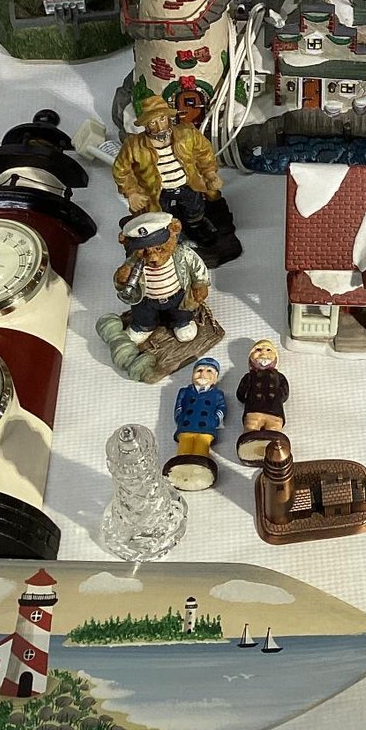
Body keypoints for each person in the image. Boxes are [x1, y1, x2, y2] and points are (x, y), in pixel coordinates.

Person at [112, 96, 228, 254]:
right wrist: (132, 193)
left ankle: (196, 227)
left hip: (188, 184)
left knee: (194, 208)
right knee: (160, 216)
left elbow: (204, 153)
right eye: (152, 122)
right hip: (156, 191)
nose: (159, 127)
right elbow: (121, 170)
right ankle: (171, 236)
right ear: (146, 125)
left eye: (162, 119)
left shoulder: (188, 134)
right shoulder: (134, 146)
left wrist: (210, 174)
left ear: (169, 117)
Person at [113, 212, 209, 345]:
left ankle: (182, 323)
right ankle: (143, 326)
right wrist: (122, 278)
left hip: (177, 296)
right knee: (142, 313)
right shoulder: (134, 261)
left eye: (158, 249)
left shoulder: (181, 253)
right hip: (146, 299)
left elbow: (197, 266)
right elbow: (121, 280)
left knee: (181, 311)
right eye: (145, 251)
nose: (152, 257)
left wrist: (200, 284)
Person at [164, 356, 227, 490]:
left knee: (201, 451)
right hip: (186, 426)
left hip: (206, 429)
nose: (203, 374)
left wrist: (215, 420)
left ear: (215, 378)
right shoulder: (185, 391)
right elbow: (179, 406)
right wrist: (180, 419)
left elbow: (221, 408)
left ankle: (199, 475)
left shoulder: (217, 394)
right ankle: (181, 474)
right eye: (199, 370)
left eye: (209, 371)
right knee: (183, 451)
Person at [235, 338, 290, 464]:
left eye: (268, 350)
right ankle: (250, 452)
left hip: (274, 410)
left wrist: (277, 397)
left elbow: (285, 392)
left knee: (273, 430)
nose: (263, 353)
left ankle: (273, 453)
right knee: (251, 428)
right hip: (254, 408)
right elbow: (240, 393)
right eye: (258, 350)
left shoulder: (278, 376)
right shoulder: (249, 376)